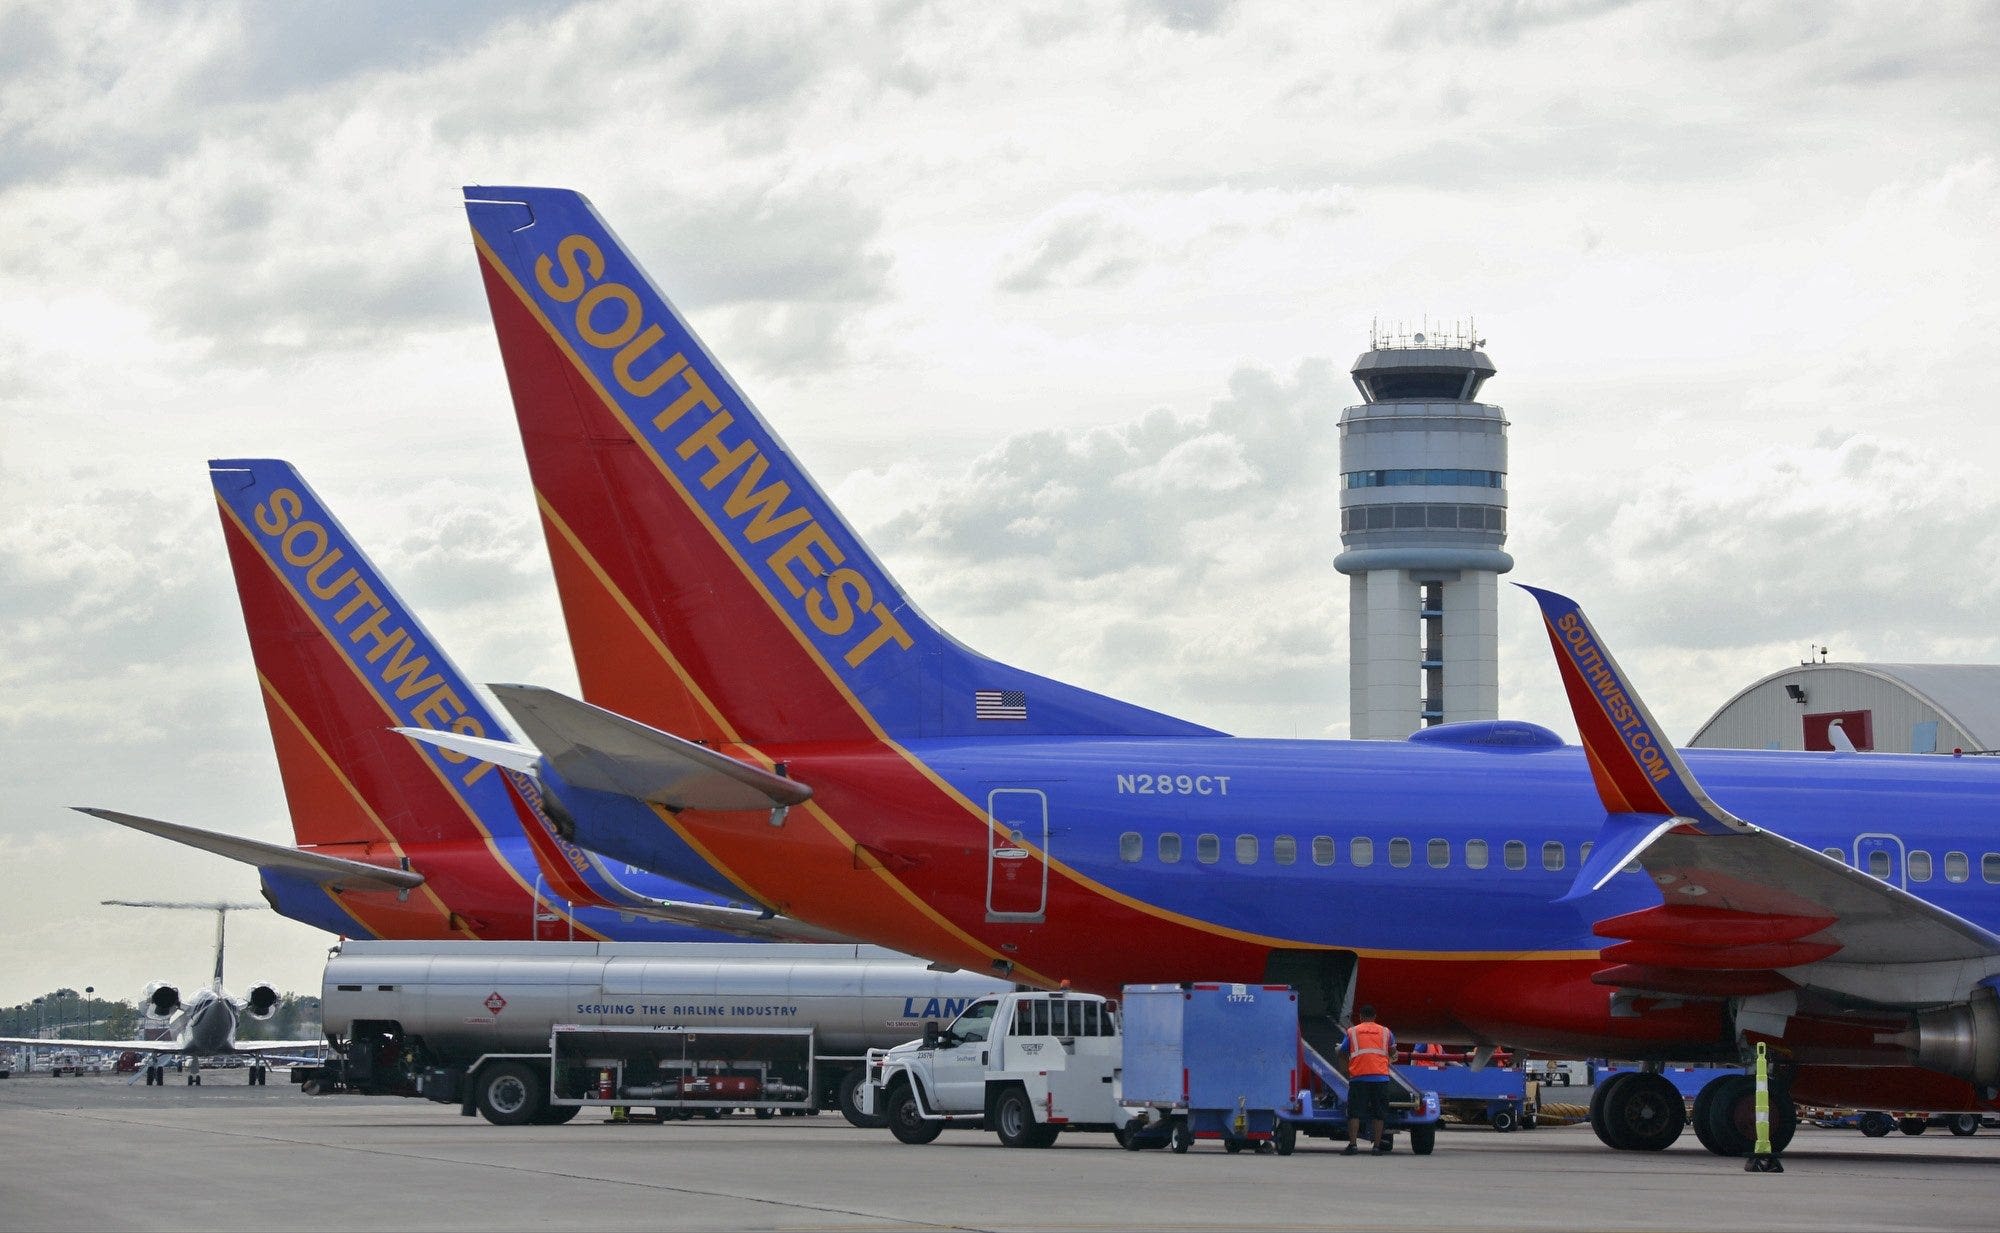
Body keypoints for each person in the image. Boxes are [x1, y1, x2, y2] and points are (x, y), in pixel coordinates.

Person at [1336, 1004, 1396, 1155]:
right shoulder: (1385, 1031)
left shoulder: (1353, 1032)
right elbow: (1393, 1051)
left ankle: (1353, 1145)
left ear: (1361, 1017)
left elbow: (1342, 1051)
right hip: (1380, 1078)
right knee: (1379, 1113)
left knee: (1354, 1112)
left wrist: (1345, 1069)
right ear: (1375, 1017)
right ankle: (1376, 1147)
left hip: (1359, 1078)